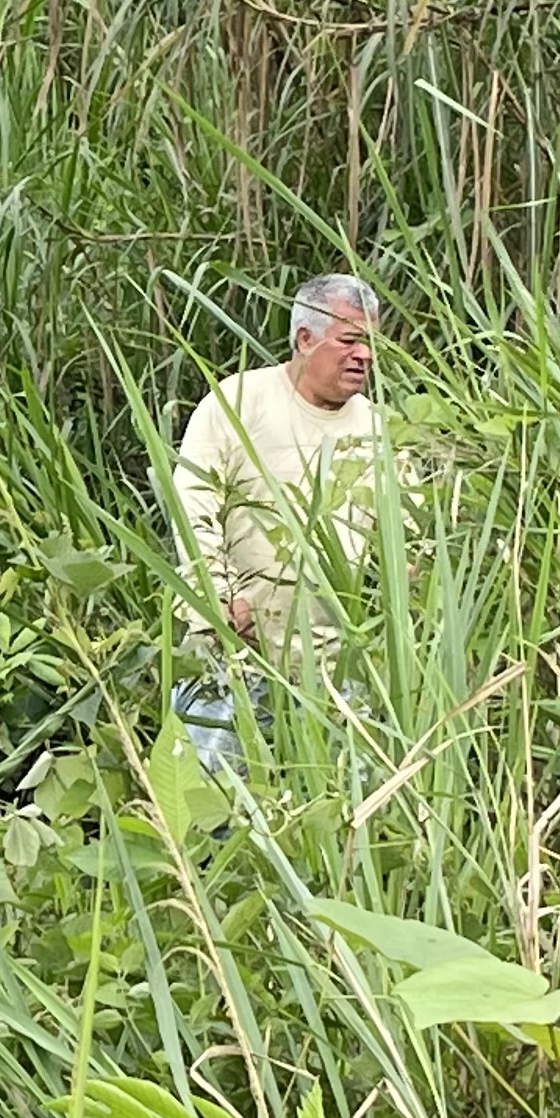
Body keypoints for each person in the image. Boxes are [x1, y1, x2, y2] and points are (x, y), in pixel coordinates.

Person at [170, 273, 385, 773]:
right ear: (305, 339)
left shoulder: (376, 427)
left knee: (341, 801)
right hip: (235, 653)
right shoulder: (237, 403)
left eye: (372, 345)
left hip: (337, 669)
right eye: (349, 341)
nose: (364, 356)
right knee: (210, 800)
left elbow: (408, 540)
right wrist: (216, 596)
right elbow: (193, 505)